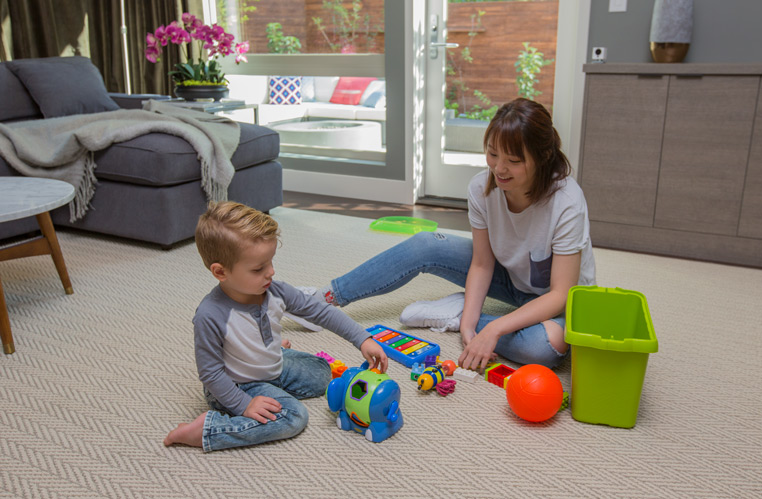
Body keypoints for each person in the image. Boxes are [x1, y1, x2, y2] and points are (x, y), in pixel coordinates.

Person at [308, 98, 595, 372]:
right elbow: (482, 263)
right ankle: (325, 297)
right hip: (509, 278)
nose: (499, 168)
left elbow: (560, 294)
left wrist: (491, 327)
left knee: (545, 349)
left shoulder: (566, 201)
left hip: (554, 297)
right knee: (425, 244)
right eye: (493, 154)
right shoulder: (482, 187)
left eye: (514, 160)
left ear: (543, 157)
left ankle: (455, 314)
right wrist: (471, 327)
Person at [164, 201, 388, 451]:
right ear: (220, 272)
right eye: (258, 268)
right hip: (235, 384)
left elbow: (320, 311)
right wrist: (243, 405)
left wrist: (363, 339)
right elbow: (211, 373)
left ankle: (266, 347)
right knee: (293, 417)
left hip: (271, 365)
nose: (271, 272)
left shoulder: (275, 291)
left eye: (270, 262)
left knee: (322, 371)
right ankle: (208, 431)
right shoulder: (210, 314)